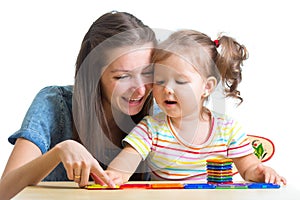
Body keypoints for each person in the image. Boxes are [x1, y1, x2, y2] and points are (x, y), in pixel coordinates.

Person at [0, 11, 157, 199]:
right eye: (122, 77)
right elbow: (4, 192)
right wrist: (59, 151)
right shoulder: (55, 104)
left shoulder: (158, 119)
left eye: (148, 73)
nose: (140, 90)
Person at [103, 30, 287, 185]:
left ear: (207, 87)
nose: (167, 89)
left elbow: (249, 169)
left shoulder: (228, 128)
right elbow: (128, 158)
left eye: (180, 81)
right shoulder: (151, 128)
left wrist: (262, 173)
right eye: (159, 81)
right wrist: (116, 174)